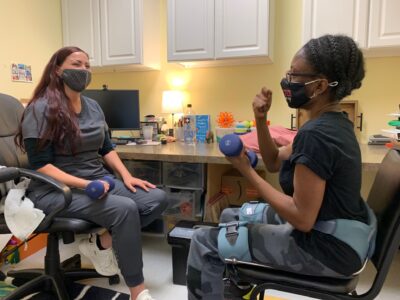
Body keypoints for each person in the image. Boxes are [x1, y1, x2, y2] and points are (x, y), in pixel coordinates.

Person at [187, 34, 372, 299]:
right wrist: (260, 119)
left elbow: (302, 218)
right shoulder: (334, 123)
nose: (288, 81)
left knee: (203, 241)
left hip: (327, 249)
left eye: (295, 76)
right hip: (338, 234)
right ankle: (237, 285)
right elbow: (273, 161)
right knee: (229, 217)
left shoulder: (317, 135)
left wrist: (246, 170)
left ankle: (233, 279)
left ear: (319, 86)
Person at [15, 46, 168, 300]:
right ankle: (138, 292)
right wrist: (85, 184)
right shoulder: (40, 108)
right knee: (124, 209)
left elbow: (107, 148)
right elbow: (40, 165)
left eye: (87, 65)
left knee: (156, 198)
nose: (84, 70)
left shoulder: (93, 107)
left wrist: (126, 176)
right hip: (54, 189)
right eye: (77, 64)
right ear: (58, 70)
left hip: (96, 182)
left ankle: (100, 244)